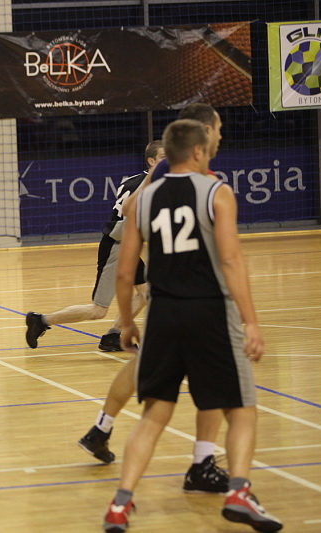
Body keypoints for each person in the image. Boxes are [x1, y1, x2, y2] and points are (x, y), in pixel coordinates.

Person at [102, 119, 282, 533]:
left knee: (153, 415)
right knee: (242, 409)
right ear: (198, 151)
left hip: (163, 315)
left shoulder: (143, 201)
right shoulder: (217, 192)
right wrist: (251, 321)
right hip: (209, 313)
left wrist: (126, 323)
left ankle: (120, 503)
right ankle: (238, 492)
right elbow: (231, 260)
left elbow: (126, 273)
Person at [78, 104, 229, 497]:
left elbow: (133, 212)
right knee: (214, 386)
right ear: (203, 135)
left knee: (143, 366)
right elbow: (229, 256)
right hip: (197, 299)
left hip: (168, 301)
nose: (220, 134)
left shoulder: (178, 172)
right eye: (217, 127)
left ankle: (101, 429)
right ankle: (203, 462)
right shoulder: (194, 177)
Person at [24, 141, 163, 352]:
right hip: (116, 246)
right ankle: (41, 320)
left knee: (146, 293)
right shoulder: (148, 185)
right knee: (98, 310)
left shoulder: (134, 180)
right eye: (163, 158)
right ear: (151, 161)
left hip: (128, 246)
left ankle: (113, 336)